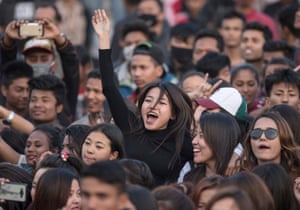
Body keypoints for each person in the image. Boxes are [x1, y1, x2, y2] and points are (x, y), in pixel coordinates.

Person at [92, 9, 194, 185]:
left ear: (173, 114)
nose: (152, 106)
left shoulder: (182, 142)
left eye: (161, 103)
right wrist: (103, 38)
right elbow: (109, 87)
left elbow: (214, 150)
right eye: (148, 100)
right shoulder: (131, 127)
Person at [0, 18, 79, 121]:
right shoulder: (19, 96)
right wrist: (8, 41)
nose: (38, 105)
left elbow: (71, 65)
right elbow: (8, 69)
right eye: (32, 59)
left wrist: (58, 37)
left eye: (44, 58)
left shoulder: (62, 92)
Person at [239, 112, 300, 180]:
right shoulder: (240, 179)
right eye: (256, 133)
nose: (262, 137)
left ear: (283, 141)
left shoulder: (296, 179)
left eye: (270, 133)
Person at [189, 112, 240, 182]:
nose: (194, 141)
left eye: (202, 136)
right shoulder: (191, 177)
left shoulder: (240, 180)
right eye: (194, 135)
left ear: (220, 139)